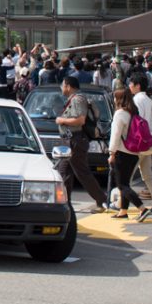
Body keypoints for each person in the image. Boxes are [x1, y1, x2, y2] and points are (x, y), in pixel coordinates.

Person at [54, 76, 109, 213]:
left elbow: (80, 120)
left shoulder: (78, 99)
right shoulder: (73, 99)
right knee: (64, 172)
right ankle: (65, 204)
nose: (61, 88)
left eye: (63, 85)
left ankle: (102, 200)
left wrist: (62, 120)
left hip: (75, 140)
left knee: (82, 172)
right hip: (69, 140)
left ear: (68, 85)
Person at [109, 88, 151, 222]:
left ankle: (142, 208)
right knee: (125, 183)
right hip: (134, 152)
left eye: (115, 97)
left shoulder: (120, 114)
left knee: (122, 185)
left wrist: (112, 153)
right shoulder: (133, 112)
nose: (114, 100)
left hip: (122, 152)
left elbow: (115, 135)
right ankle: (123, 211)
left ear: (119, 99)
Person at [128, 73, 152, 213]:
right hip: (148, 142)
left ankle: (120, 203)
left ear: (137, 86)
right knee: (147, 175)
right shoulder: (148, 100)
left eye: (131, 84)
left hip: (139, 143)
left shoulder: (137, 100)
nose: (129, 86)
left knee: (127, 176)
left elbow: (137, 122)